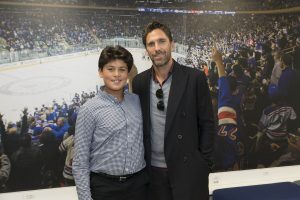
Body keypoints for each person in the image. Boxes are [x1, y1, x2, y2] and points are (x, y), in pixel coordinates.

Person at [132, 21, 215, 200]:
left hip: (188, 172)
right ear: (146, 49)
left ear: (172, 44)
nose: (157, 48)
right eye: (151, 44)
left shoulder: (195, 78)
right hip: (152, 173)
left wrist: (203, 165)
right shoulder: (139, 82)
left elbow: (208, 124)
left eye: (161, 41)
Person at [73, 45, 147, 200]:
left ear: (128, 73)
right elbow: (80, 162)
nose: (117, 75)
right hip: (105, 188)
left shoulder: (137, 101)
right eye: (110, 69)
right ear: (101, 72)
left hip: (139, 186)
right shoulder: (89, 109)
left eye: (122, 69)